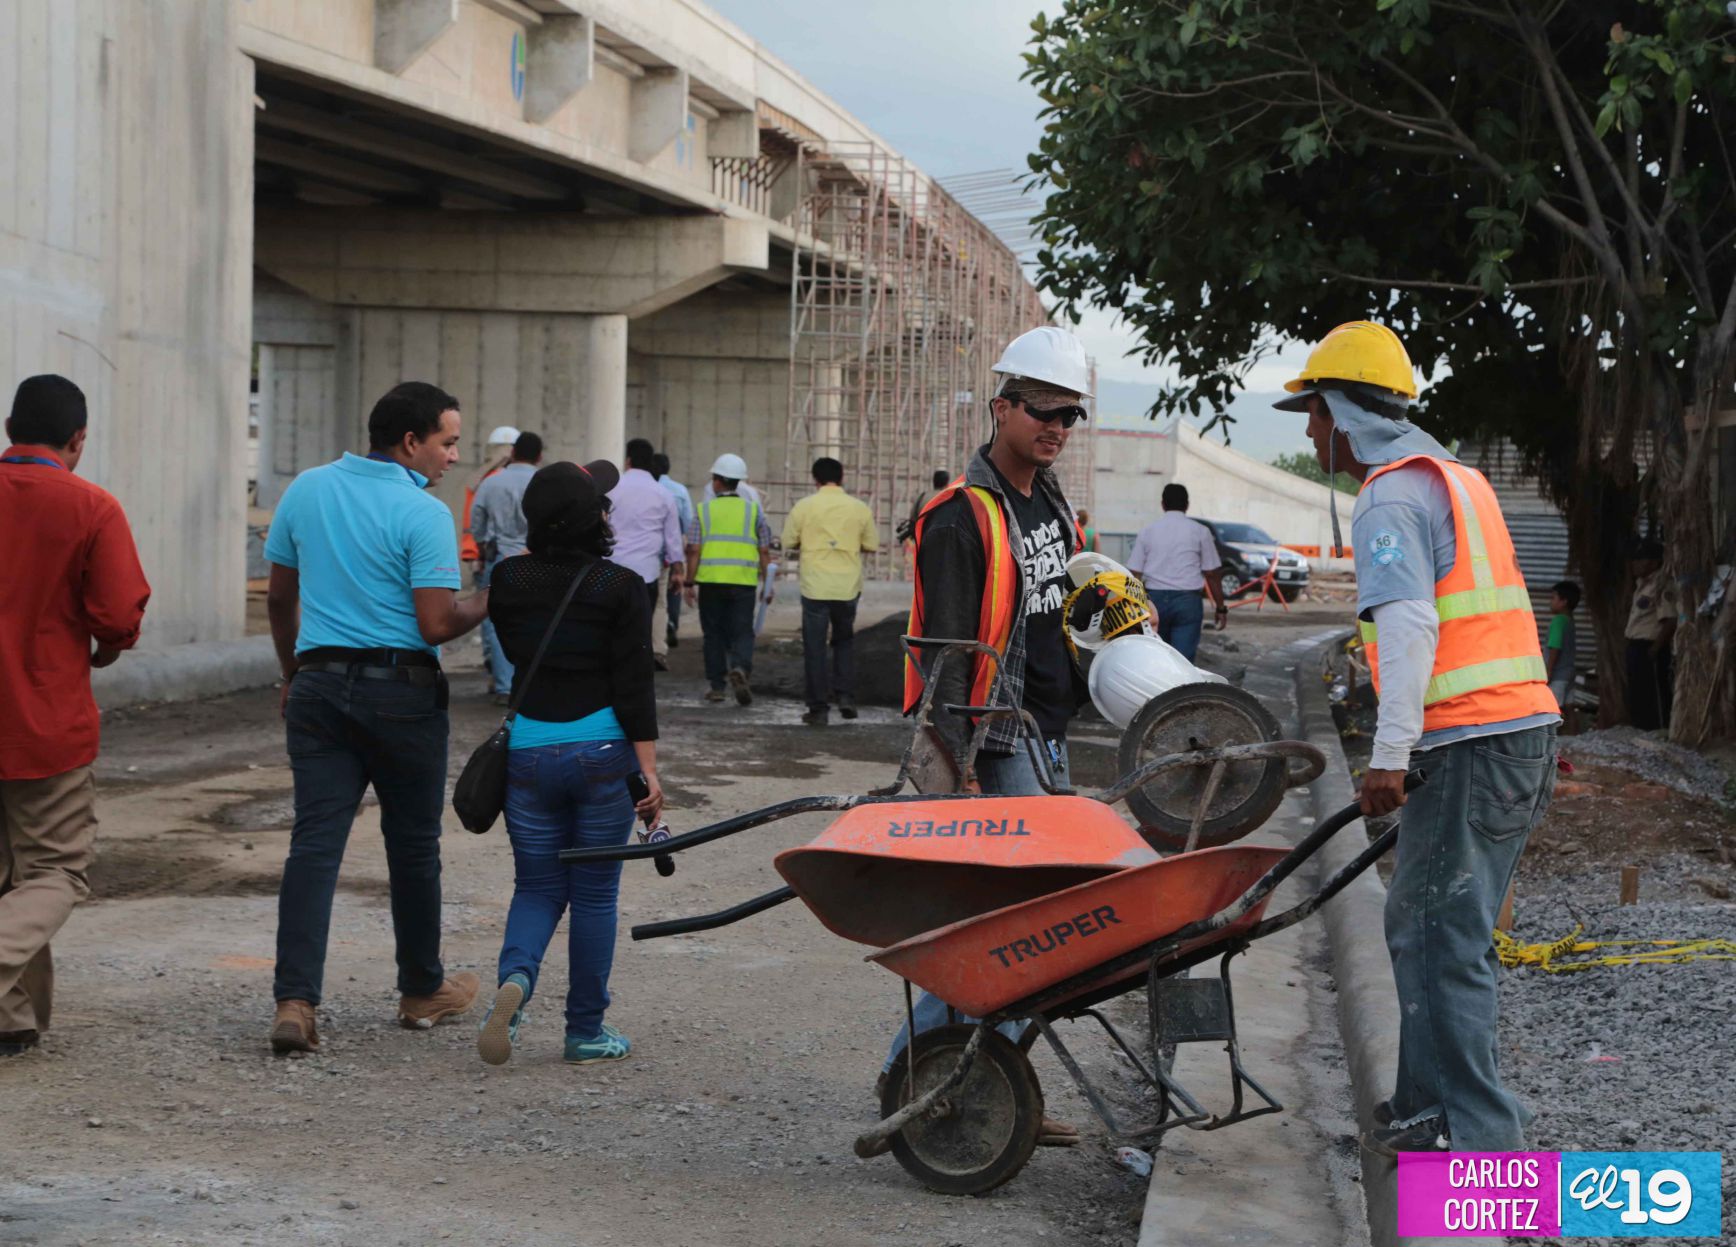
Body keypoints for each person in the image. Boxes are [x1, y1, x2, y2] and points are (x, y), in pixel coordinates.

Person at [1274, 320, 1559, 1155]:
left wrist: (1388, 757)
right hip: (1511, 733)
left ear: (1339, 410)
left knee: (1440, 930)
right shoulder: (1454, 478)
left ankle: (1478, 1143)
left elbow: (1407, 629)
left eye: (1312, 412)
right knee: (1429, 921)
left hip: (1474, 741)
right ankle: (1427, 1107)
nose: (1308, 430)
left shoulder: (1391, 496)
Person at [890, 326, 1094, 1151]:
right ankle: (920, 1078)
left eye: (1069, 415)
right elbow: (945, 654)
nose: (1056, 426)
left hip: (1043, 734)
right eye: (1043, 410)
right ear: (1002, 406)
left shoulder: (1050, 500)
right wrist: (960, 771)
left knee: (1041, 931)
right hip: (990, 743)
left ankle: (998, 1080)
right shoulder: (958, 517)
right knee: (998, 930)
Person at [263, 381, 490, 1054]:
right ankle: (422, 988)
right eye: (448, 442)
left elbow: (280, 597)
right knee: (413, 845)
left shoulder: (307, 488)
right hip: (402, 693)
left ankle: (296, 1000)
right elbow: (437, 621)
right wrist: (491, 597)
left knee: (314, 844)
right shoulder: (422, 513)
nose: (454, 456)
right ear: (411, 442)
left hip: (318, 686)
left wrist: (292, 672)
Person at [474, 460, 664, 1067]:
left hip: (529, 753)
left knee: (535, 887)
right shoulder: (619, 585)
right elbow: (634, 686)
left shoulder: (507, 579)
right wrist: (650, 771)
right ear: (593, 519)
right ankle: (584, 1031)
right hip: (602, 755)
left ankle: (517, 981)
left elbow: (512, 653)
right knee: (595, 894)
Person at [0, 376, 150, 1057]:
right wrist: (107, 647)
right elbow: (117, 616)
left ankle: (13, 1021)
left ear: (10, 429)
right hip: (43, 722)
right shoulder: (91, 507)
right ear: (77, 440)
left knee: (10, 876)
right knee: (54, 872)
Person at [782, 457, 880, 726]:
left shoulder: (804, 507)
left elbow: (788, 541)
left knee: (814, 647)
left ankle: (818, 708)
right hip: (847, 586)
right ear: (842, 478)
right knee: (844, 642)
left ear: (815, 479)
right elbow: (871, 544)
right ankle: (846, 697)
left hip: (815, 586)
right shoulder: (859, 508)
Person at [684, 452, 772, 706]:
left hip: (711, 582)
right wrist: (768, 584)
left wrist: (690, 582)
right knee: (743, 631)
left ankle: (717, 686)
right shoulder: (754, 512)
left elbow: (694, 549)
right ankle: (741, 668)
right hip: (743, 582)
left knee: (713, 634)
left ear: (718, 481)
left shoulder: (704, 511)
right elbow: (764, 551)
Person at [472, 432, 543, 702]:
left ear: (512, 453)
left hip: (499, 557)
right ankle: (529, 683)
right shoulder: (542, 482)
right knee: (535, 618)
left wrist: (481, 544)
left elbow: (476, 518)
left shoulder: (491, 483)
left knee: (496, 621)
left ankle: (504, 685)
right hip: (535, 559)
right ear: (539, 456)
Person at [607, 439, 685, 671]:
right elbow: (672, 537)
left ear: (627, 460)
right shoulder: (663, 494)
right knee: (641, 626)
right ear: (650, 463)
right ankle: (637, 667)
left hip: (613, 570)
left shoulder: (612, 489)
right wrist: (678, 571)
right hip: (647, 574)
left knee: (613, 624)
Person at [1125, 483, 1227, 661]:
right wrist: (1220, 607)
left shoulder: (1148, 531)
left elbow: (1134, 573)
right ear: (1187, 505)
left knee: (1154, 656)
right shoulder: (1201, 531)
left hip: (1153, 601)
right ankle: (1181, 688)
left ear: (1163, 504)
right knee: (1182, 661)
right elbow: (1212, 573)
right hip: (1187, 602)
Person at [1623, 541, 1676, 731]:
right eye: (1634, 560)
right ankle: (1641, 727)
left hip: (1650, 646)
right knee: (1638, 690)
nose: (1635, 564)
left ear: (1654, 563)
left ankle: (1657, 728)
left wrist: (1655, 649)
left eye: (1640, 560)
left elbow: (1670, 620)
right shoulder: (1641, 584)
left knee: (1653, 691)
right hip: (1635, 645)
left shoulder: (1662, 585)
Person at [462, 425, 520, 570]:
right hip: (511, 555)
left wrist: (473, 553)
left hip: (488, 555)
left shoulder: (479, 479)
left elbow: (473, 519)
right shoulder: (518, 479)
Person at [651, 452, 694, 649]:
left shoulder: (649, 489)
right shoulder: (679, 490)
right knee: (674, 587)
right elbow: (687, 522)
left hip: (651, 549)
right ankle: (671, 624)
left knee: (654, 595)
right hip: (673, 547)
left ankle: (652, 631)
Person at [1545, 580, 1580, 711]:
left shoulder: (1558, 621)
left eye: (1553, 598)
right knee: (1569, 708)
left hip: (1558, 675)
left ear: (1564, 601)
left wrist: (1549, 671)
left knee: (1554, 710)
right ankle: (1575, 732)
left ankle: (1557, 732)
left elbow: (1555, 647)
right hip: (1569, 673)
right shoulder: (1569, 621)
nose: (1550, 602)